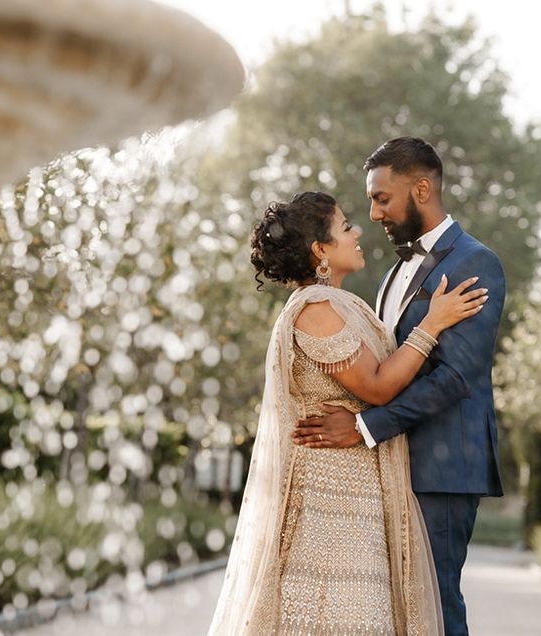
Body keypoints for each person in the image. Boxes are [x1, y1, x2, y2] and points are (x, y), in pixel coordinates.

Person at [208, 190, 487, 635]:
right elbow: (376, 387)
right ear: (320, 249)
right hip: (327, 506)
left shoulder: (342, 304)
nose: (357, 232)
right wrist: (432, 325)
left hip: (354, 495)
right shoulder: (316, 309)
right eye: (345, 227)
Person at [293, 137, 506, 636]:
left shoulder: (476, 262)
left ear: (423, 189)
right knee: (396, 610)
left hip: (442, 468)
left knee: (435, 606)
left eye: (382, 198)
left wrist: (365, 427)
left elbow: (456, 376)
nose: (373, 213)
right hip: (392, 462)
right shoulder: (391, 273)